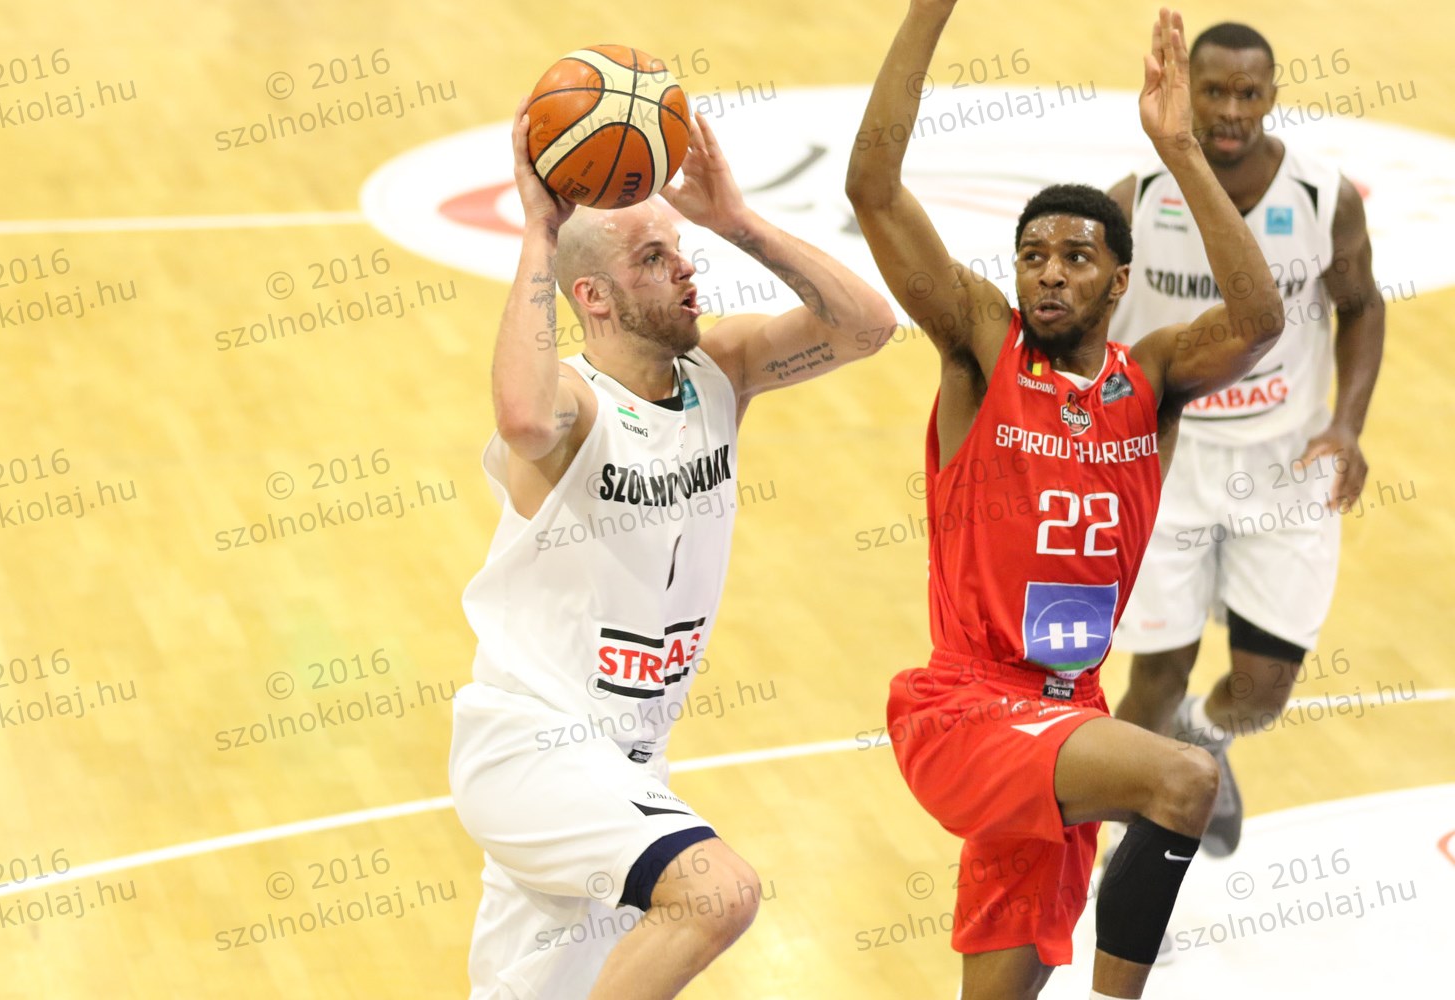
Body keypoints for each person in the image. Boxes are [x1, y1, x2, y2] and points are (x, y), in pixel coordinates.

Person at [846, 4, 1285, 997]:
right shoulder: (982, 349)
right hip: (969, 708)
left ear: (1118, 281)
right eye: (1032, 255)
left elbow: (1260, 320)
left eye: (1075, 257)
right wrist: (928, 13)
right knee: (1185, 777)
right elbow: (871, 187)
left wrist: (1179, 150)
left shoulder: (1151, 379)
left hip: (1067, 714)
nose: (1048, 271)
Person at [449, 100, 895, 1000]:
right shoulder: (575, 405)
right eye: (653, 258)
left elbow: (867, 327)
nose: (686, 268)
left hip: (627, 759)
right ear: (594, 297)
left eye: (681, 250)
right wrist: (539, 232)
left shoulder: (720, 372)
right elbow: (524, 419)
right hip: (534, 744)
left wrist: (738, 223)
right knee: (718, 893)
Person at [1107, 21, 1386, 857]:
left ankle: (1203, 744)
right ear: (1187, 92)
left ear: (1271, 95)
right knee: (1155, 676)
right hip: (1166, 461)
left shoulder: (1321, 196)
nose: (1230, 110)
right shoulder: (1135, 200)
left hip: (1287, 462)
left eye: (1248, 93)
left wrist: (1347, 423)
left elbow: (1361, 305)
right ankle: (1115, 849)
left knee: (1262, 694)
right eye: (1214, 91)